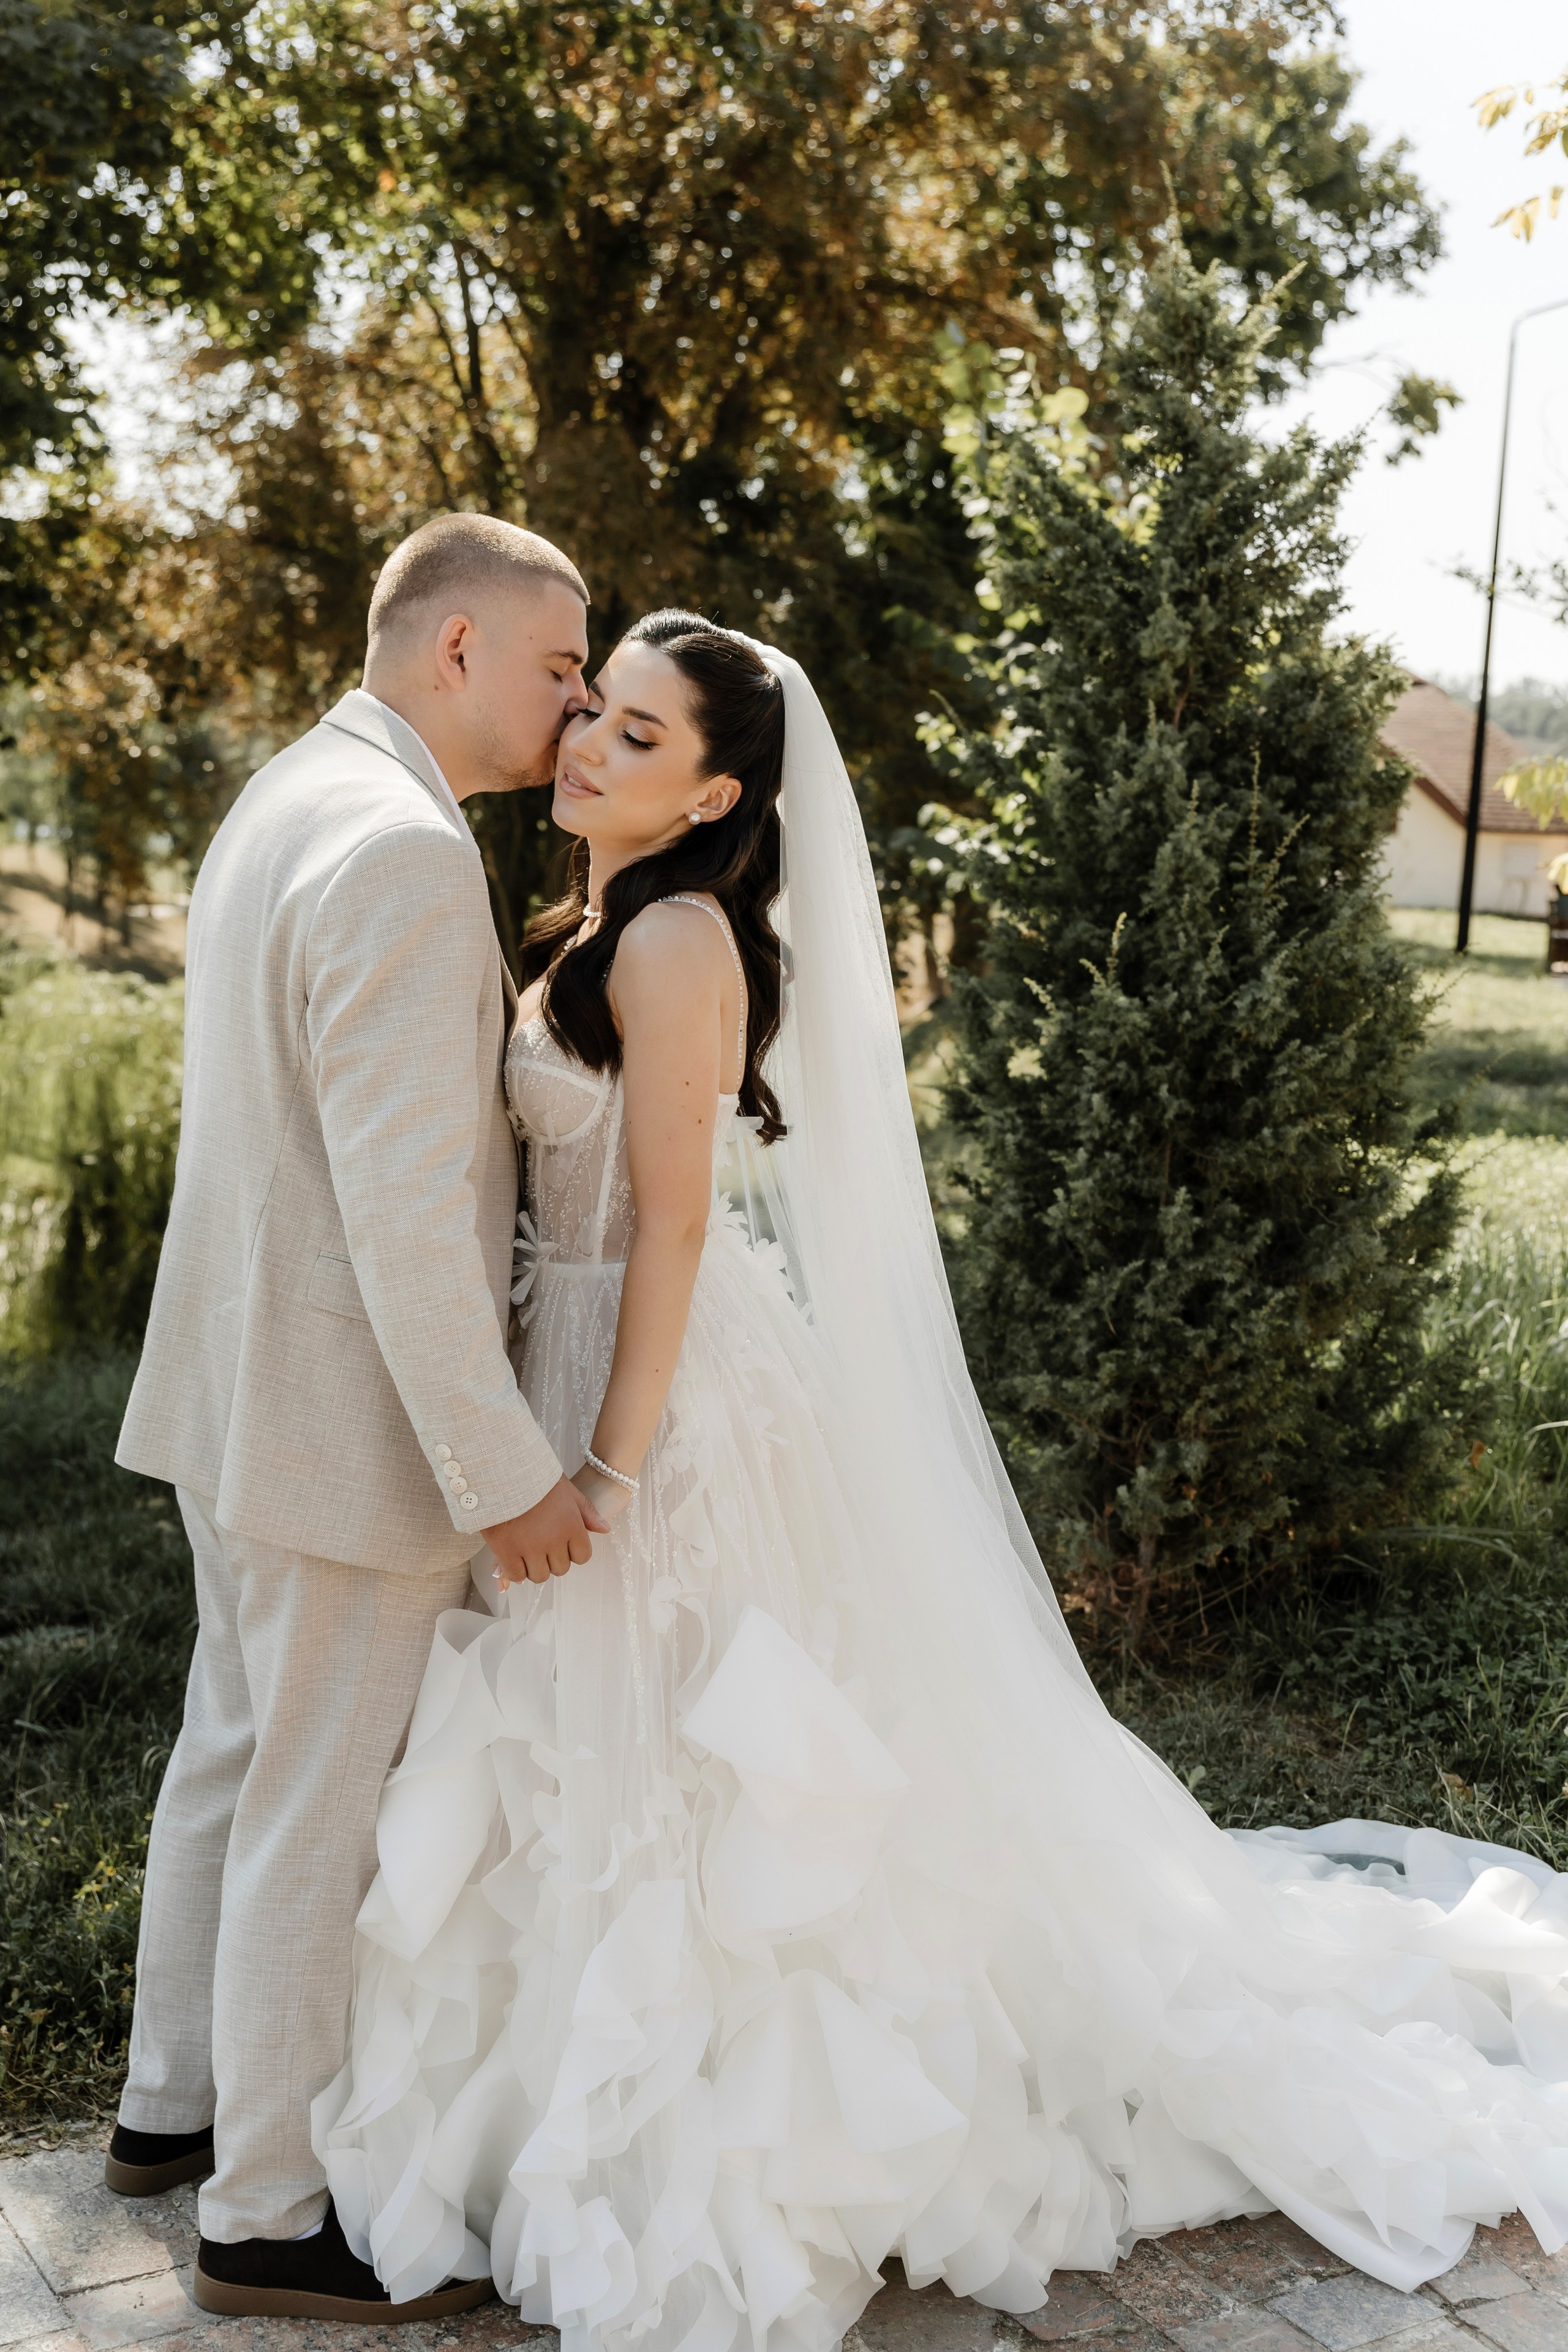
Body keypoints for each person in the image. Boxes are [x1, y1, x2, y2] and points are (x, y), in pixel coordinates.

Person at [326, 613, 1568, 2352]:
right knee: (582, 1750)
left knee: (692, 1763)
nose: (588, 745)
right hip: (569, 1357)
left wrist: (607, 1455)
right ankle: (546, 2100)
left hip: (657, 1400)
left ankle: (708, 2131)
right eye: (592, 711)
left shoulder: (677, 942)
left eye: (635, 732)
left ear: (718, 792)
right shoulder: (591, 921)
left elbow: (674, 1224)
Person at [108, 516, 611, 2323]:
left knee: (233, 1762)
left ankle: (169, 2109)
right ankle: (262, 2208)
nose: (578, 704)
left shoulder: (290, 791)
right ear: (459, 647)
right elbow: (413, 1224)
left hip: (235, 1388)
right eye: (563, 667)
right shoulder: (404, 852)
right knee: (311, 1802)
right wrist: (506, 1476)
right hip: (338, 1422)